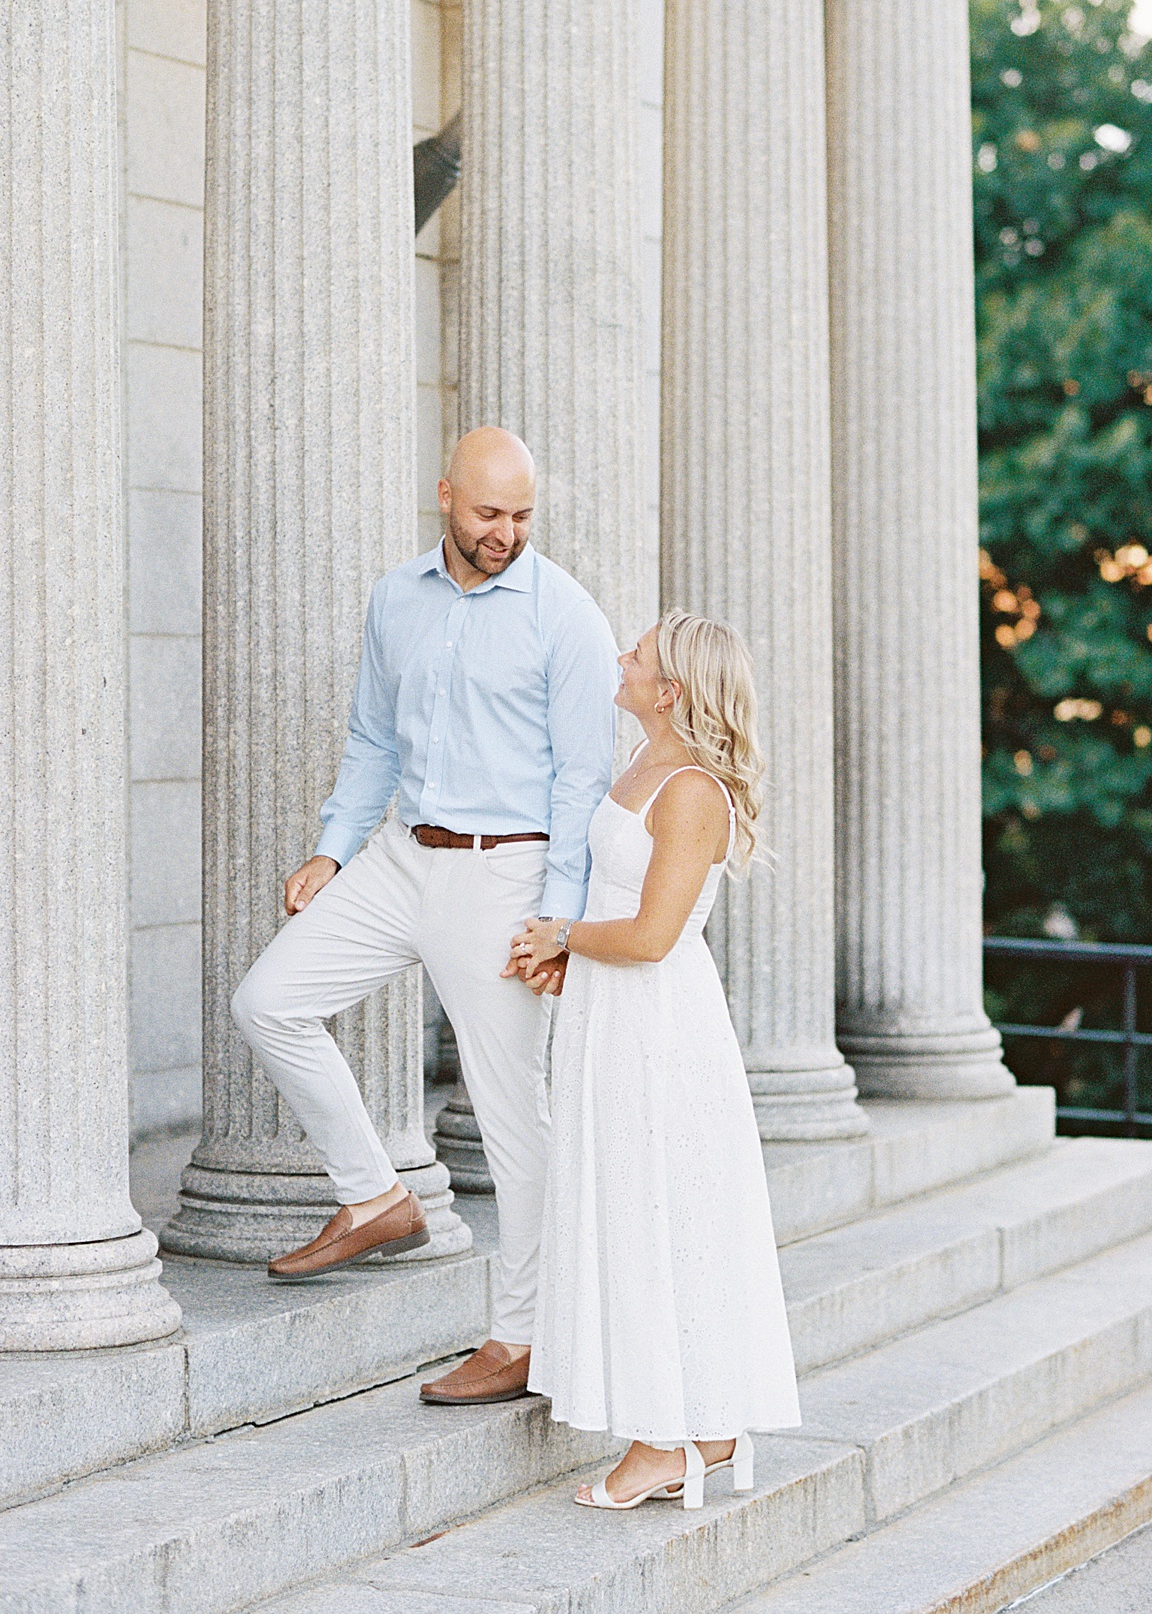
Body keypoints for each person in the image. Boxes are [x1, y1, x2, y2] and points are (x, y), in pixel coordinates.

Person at [230, 427, 619, 1406]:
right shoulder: (396, 598)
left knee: (510, 1122)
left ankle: (524, 1336)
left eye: (525, 514)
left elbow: (584, 781)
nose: (508, 532)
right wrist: (332, 845)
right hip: (402, 854)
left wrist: (559, 922)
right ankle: (376, 1195)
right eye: (490, 513)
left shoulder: (564, 615)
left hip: (505, 876)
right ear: (445, 495)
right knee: (267, 1000)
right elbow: (371, 735)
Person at [509, 610, 801, 1508]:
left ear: (669, 690)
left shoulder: (692, 793)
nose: (621, 659)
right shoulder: (641, 764)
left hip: (659, 1029)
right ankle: (702, 1431)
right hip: (612, 1015)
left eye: (636, 653)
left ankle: (662, 1440)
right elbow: (616, 903)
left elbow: (651, 934)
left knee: (651, 1213)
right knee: (636, 1206)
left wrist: (564, 932)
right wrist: (572, 953)